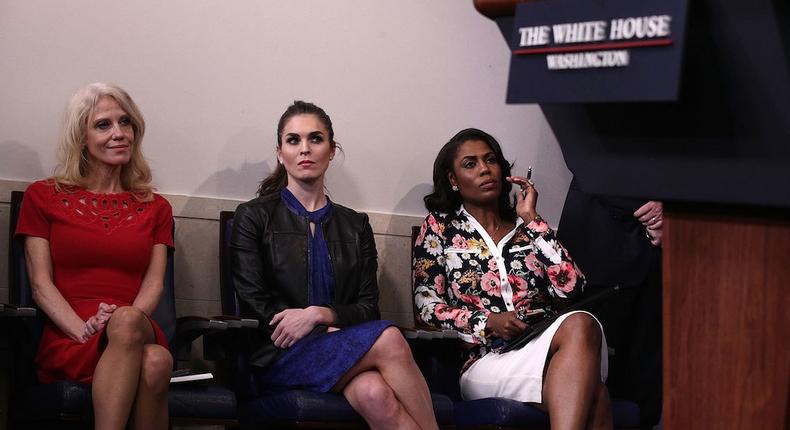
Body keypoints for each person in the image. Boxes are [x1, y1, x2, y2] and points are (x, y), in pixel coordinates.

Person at [230, 100, 439, 430]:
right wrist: (316, 329)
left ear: (331, 150)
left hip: (341, 346)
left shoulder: (355, 225)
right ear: (280, 152)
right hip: (277, 356)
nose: (305, 149)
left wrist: (319, 314)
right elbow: (256, 304)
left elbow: (369, 308)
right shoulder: (253, 217)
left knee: (374, 394)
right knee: (390, 340)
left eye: (316, 139)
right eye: (293, 140)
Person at [413, 128, 613, 430]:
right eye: (470, 164)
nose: (484, 169)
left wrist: (533, 219)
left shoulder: (526, 227)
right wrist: (488, 321)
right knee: (596, 396)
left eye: (490, 160)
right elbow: (426, 308)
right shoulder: (441, 227)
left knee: (581, 322)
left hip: (547, 348)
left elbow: (572, 288)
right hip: (486, 360)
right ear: (453, 181)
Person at [15, 82, 174, 429]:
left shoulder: (156, 207)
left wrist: (126, 322)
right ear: (80, 136)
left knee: (130, 325)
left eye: (125, 122)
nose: (119, 133)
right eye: (103, 124)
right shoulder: (43, 197)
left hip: (134, 325)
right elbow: (41, 285)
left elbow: (155, 283)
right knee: (157, 362)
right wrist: (83, 330)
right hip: (71, 336)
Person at [557, 177, 663, 429]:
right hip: (600, 246)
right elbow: (587, 156)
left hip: (667, 256)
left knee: (646, 387)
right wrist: (654, 211)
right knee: (593, 385)